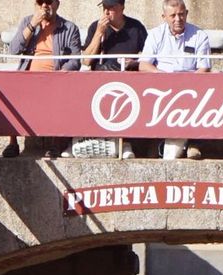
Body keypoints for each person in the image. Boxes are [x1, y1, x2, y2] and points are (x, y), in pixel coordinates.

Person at [3, 0, 84, 160]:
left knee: (61, 92)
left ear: (57, 4)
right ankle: (12, 142)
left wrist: (62, 73)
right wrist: (33, 24)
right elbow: (14, 50)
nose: (44, 6)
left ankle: (56, 143)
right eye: (40, 2)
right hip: (28, 77)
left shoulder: (69, 28)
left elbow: (76, 60)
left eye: (48, 2)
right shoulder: (27, 22)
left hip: (55, 77)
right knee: (9, 90)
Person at [143, 0, 212, 161]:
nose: (178, 19)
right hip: (161, 86)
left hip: (192, 87)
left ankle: (194, 143)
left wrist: (186, 85)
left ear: (186, 14)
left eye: (181, 14)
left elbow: (204, 68)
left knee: (202, 96)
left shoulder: (200, 35)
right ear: (164, 17)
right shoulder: (155, 34)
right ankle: (156, 141)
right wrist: (163, 77)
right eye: (173, 15)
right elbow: (144, 65)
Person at [81, 0, 148, 72]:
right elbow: (86, 61)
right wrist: (99, 32)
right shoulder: (95, 27)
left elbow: (149, 58)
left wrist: (134, 63)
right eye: (104, 7)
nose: (106, 12)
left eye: (110, 7)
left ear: (122, 8)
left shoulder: (136, 28)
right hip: (102, 74)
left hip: (128, 74)